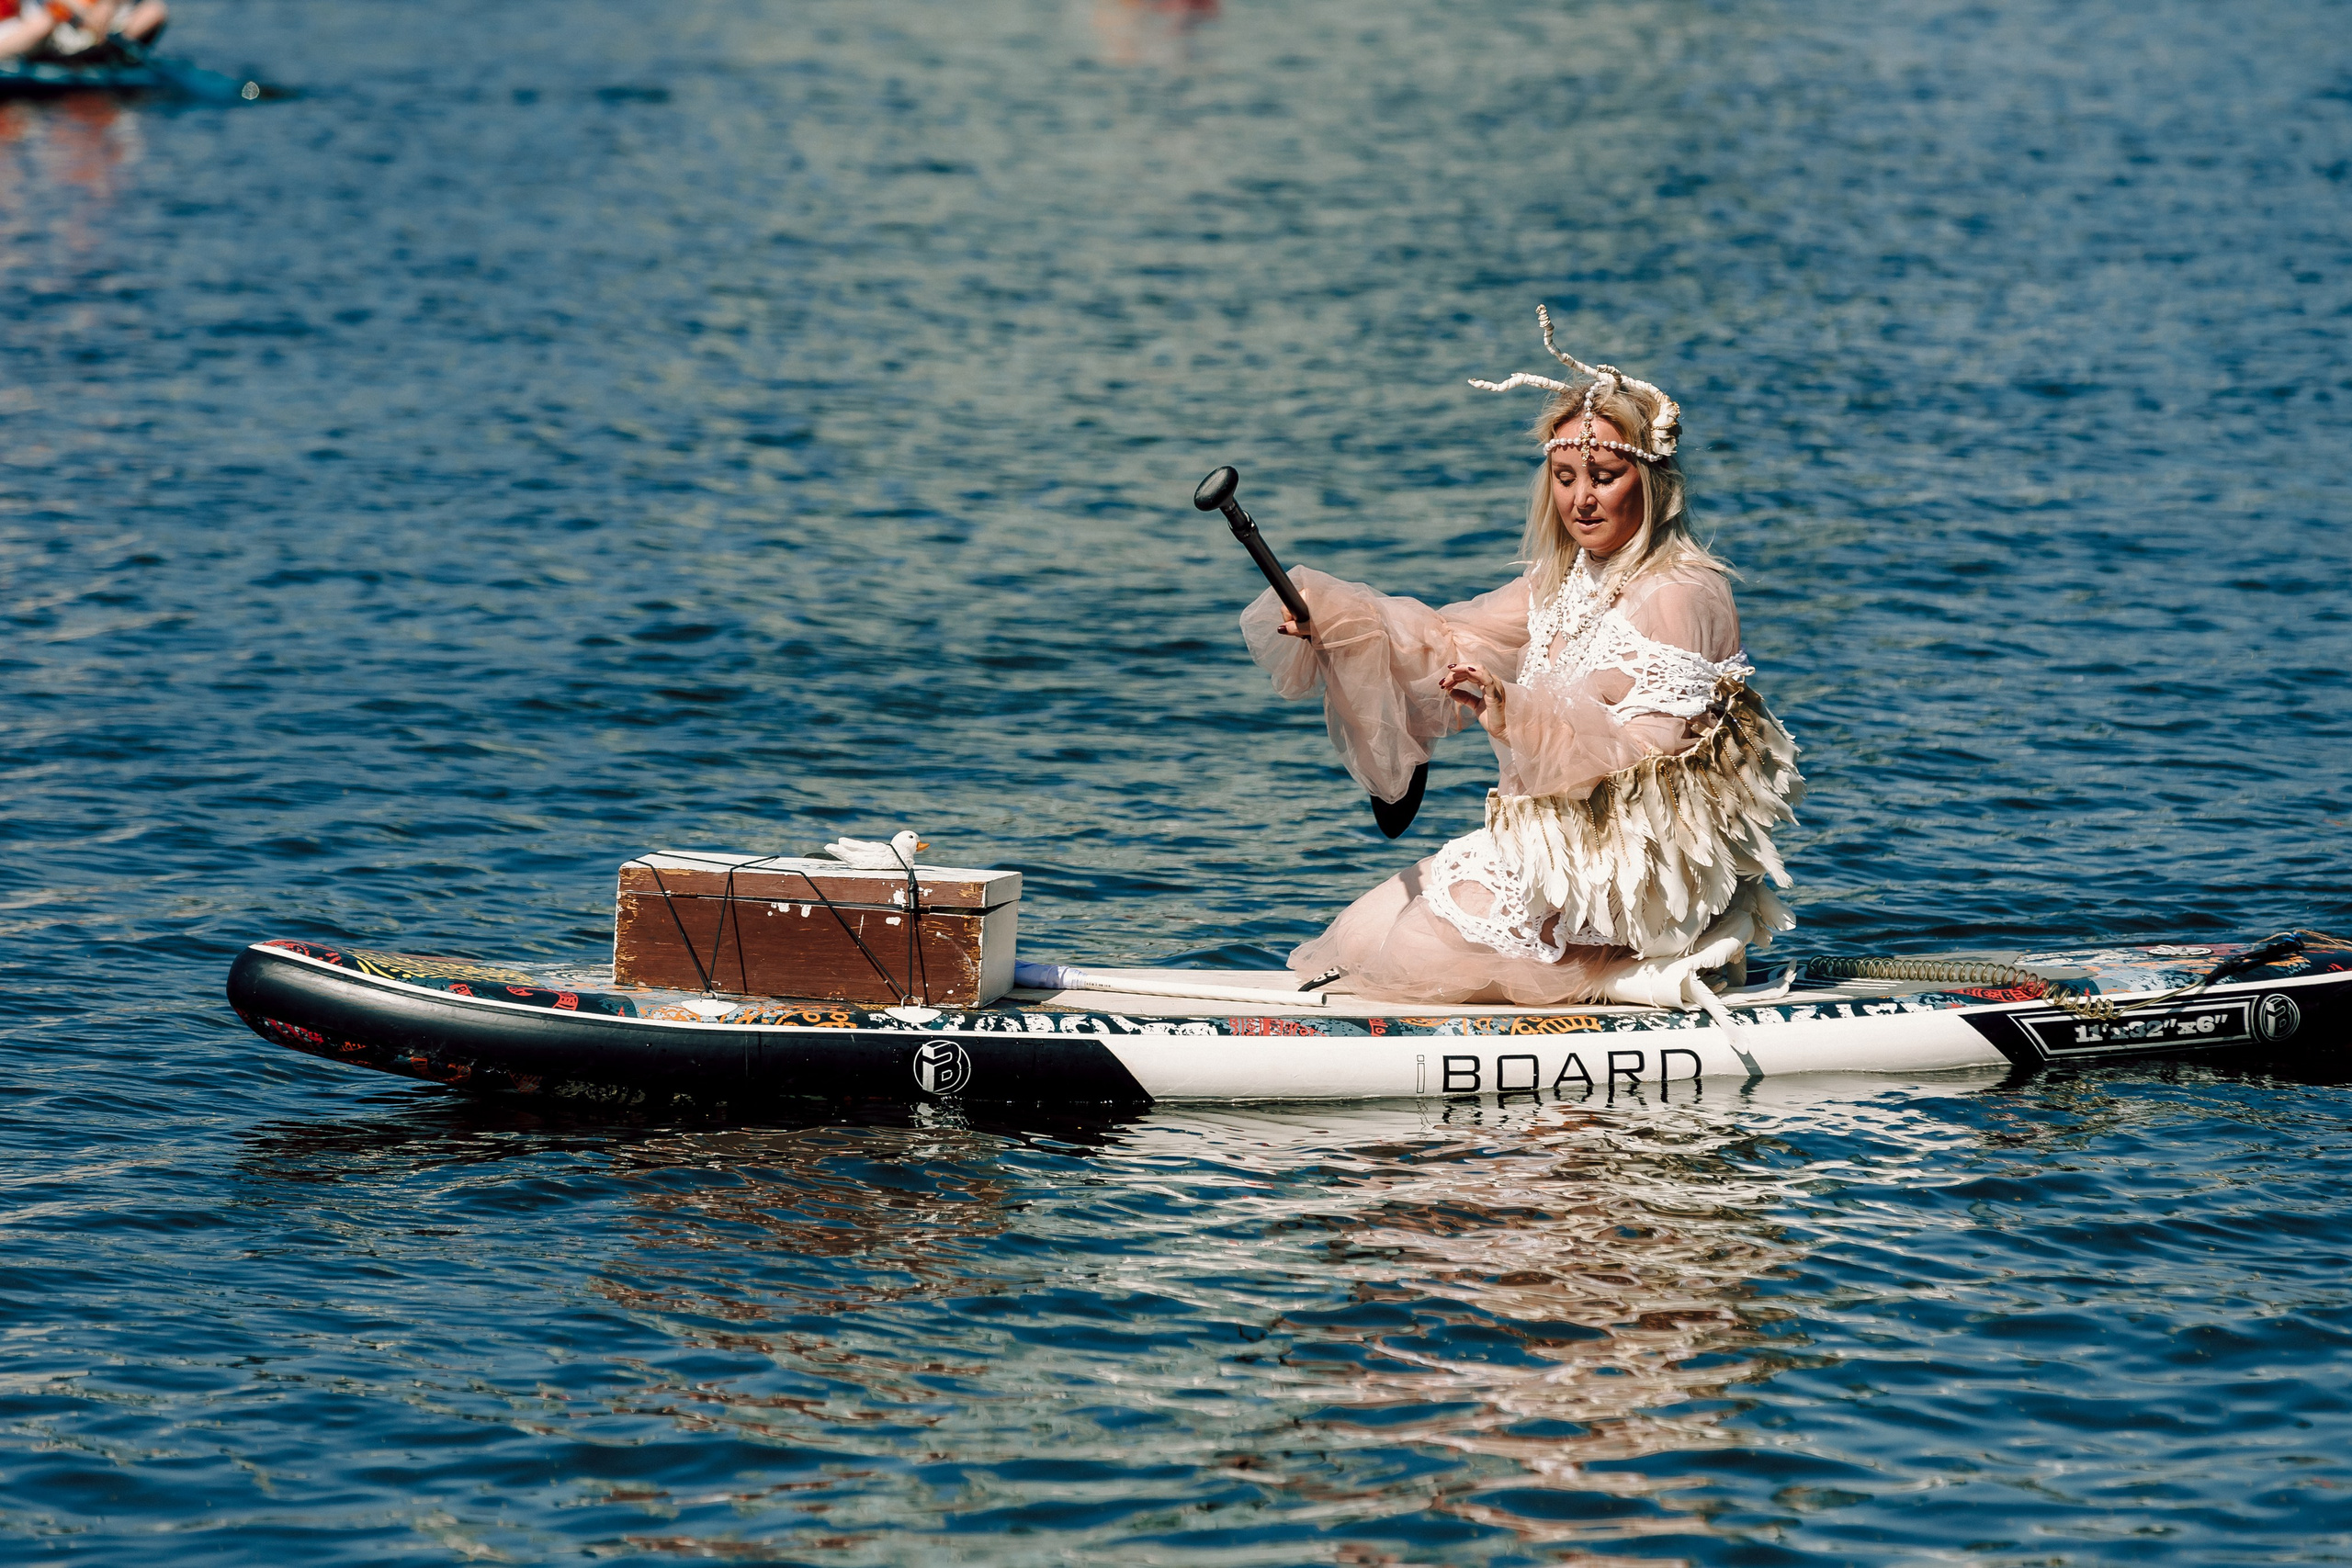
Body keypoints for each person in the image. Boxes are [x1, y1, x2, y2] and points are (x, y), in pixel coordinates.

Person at [1240, 306, 1804, 1009]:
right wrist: (1331, 621)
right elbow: (1443, 639)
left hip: (1630, 868)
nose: (1582, 499)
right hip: (1548, 841)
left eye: (1602, 475)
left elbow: (1651, 765)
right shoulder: (1560, 582)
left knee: (1413, 948)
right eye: (1565, 477)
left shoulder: (1683, 592)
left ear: (1652, 481)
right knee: (1361, 936)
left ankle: (1639, 976)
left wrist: (1517, 709)